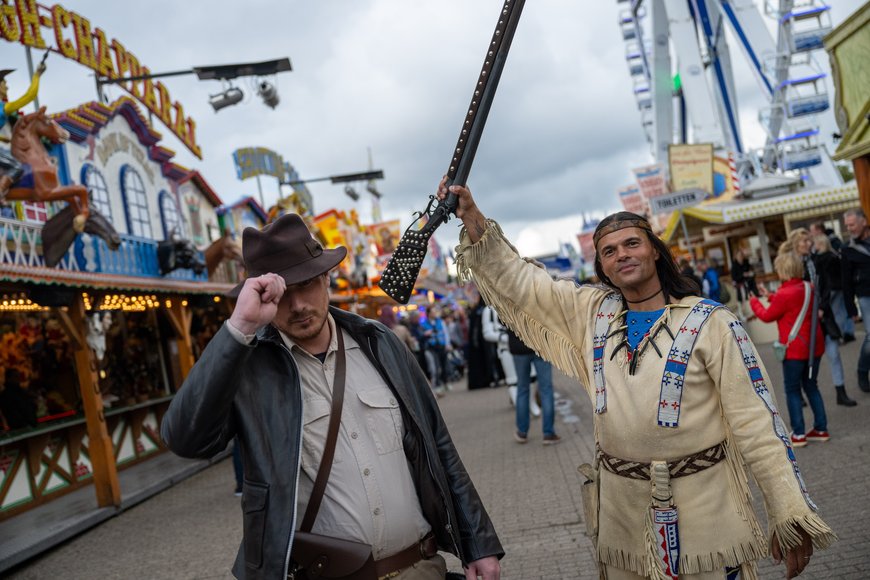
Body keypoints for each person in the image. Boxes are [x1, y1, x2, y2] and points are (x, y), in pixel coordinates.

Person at [438, 178, 834, 579]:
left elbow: (756, 422)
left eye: (632, 243)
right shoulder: (593, 313)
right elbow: (521, 281)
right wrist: (471, 214)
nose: (621, 255)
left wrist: (788, 511)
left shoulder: (713, 323)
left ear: (655, 252)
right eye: (608, 251)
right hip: (623, 520)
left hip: (707, 516)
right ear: (602, 267)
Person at [161, 213, 502, 580]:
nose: (297, 305)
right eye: (281, 294)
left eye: (305, 284)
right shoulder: (248, 372)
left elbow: (439, 444)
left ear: (326, 277)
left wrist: (477, 544)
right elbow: (184, 439)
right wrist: (239, 327)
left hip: (419, 568)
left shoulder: (379, 342)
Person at [750, 247, 830, 447]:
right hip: (813, 347)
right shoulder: (809, 287)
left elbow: (767, 316)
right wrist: (771, 296)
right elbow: (793, 304)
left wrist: (754, 302)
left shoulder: (784, 293)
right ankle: (821, 429)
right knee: (811, 386)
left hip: (794, 349)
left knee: (792, 389)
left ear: (783, 270)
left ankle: (799, 434)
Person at [812, 234, 857, 406]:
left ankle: (841, 391)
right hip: (810, 318)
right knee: (808, 361)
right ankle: (804, 394)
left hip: (825, 314)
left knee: (834, 353)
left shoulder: (821, 260)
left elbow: (826, 286)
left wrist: (822, 307)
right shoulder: (810, 262)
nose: (810, 244)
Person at [507, 328, 559, 445]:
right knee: (546, 389)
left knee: (522, 389)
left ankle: (522, 432)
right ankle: (548, 433)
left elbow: (503, 318)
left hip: (518, 346)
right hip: (539, 344)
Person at [0, 62, 46, 196]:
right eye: (4, 83)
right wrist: (37, 75)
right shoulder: (4, 108)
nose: (7, 86)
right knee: (16, 167)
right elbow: (30, 96)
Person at [841, 207, 870, 392]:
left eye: (852, 224)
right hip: (865, 296)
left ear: (864, 222)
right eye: (847, 225)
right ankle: (862, 370)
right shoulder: (847, 250)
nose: (849, 228)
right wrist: (851, 309)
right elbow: (846, 282)